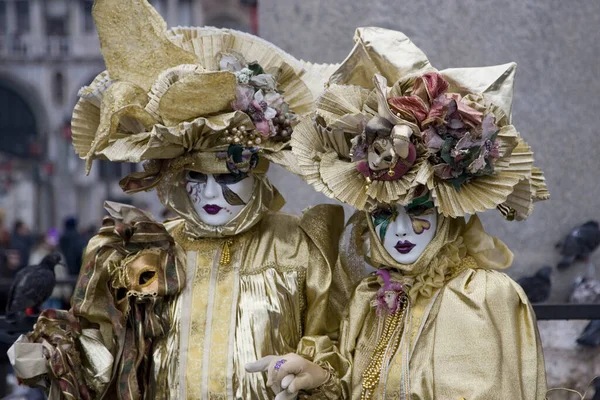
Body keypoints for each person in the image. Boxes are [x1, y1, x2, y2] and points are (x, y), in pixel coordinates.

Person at [8, 1, 351, 398]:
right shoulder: (148, 251)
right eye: (195, 176)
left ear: (257, 173)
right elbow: (110, 359)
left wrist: (319, 377)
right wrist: (52, 356)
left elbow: (343, 352)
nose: (209, 193)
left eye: (227, 177)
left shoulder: (302, 246)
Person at [267, 27, 550, 399]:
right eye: (384, 214)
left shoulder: (485, 294)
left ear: (447, 213)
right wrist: (321, 379)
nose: (400, 231)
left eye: (417, 210)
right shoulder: (371, 296)